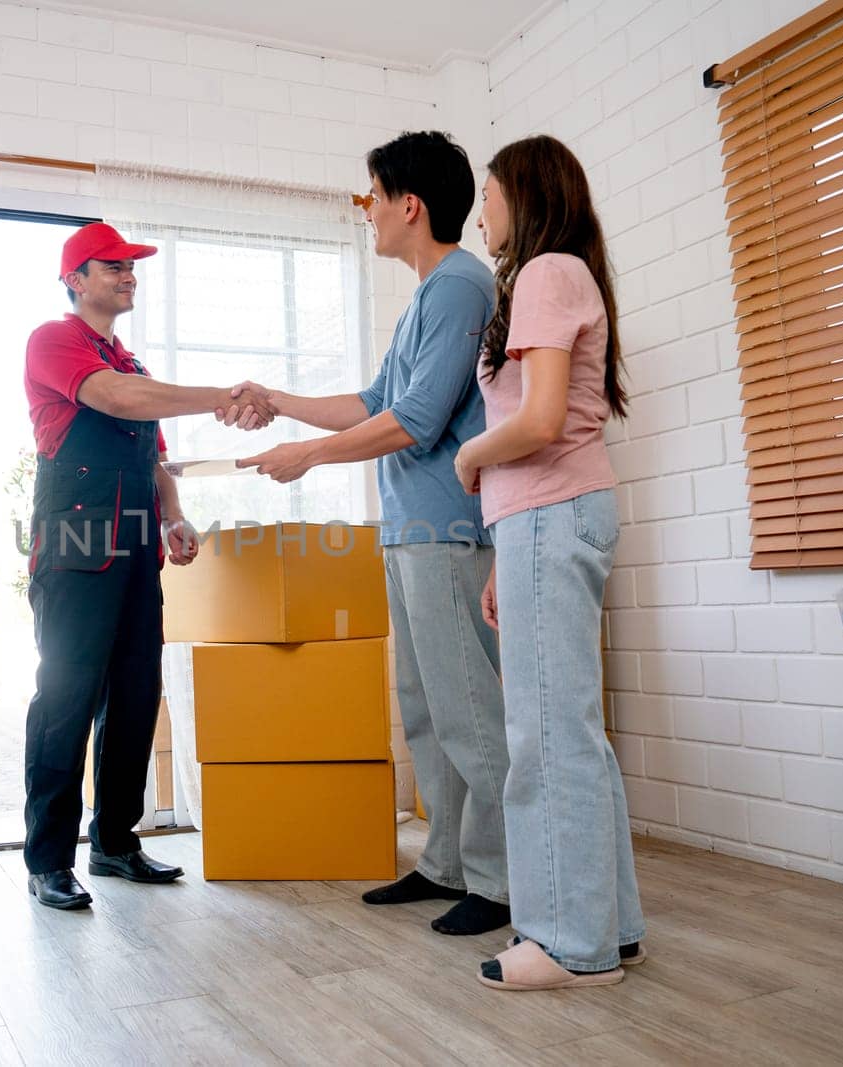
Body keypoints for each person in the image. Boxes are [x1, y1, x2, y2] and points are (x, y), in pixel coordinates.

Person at [230, 132, 511, 937]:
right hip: (411, 531)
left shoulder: (461, 287)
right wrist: (280, 401)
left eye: (373, 199)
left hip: (449, 532)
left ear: (409, 204)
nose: (370, 214)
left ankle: (502, 878)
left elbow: (416, 422)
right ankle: (450, 861)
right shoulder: (426, 296)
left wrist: (307, 456)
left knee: (467, 710)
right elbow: (370, 401)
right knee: (425, 708)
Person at [22, 222, 274, 909]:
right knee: (66, 700)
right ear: (77, 279)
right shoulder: (56, 341)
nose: (129, 275)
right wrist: (222, 395)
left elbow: (153, 454)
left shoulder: (130, 359)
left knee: (135, 695)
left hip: (135, 548)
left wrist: (173, 516)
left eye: (132, 267)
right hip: (75, 548)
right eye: (114, 267)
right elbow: (119, 402)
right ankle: (48, 858)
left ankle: (115, 842)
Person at [454, 135, 645, 990]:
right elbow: (556, 424)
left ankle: (569, 941)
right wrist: (505, 558)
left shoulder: (543, 272)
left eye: (487, 195)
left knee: (544, 731)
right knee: (573, 729)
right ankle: (613, 926)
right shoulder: (562, 273)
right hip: (548, 519)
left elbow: (534, 425)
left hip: (549, 513)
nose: (480, 212)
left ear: (521, 195)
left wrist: (469, 459)